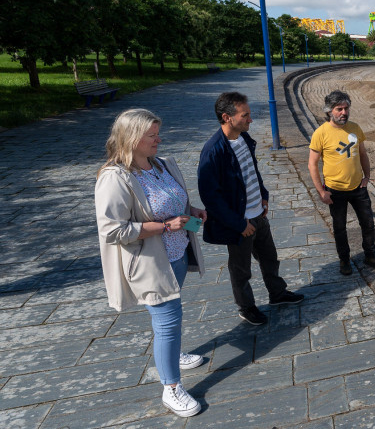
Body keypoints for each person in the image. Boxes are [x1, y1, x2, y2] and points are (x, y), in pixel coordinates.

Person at [95, 109, 207, 417]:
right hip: (149, 264)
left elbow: (171, 201)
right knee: (168, 320)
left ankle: (171, 355)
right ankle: (171, 388)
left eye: (158, 133)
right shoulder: (115, 177)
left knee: (168, 319)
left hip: (179, 254)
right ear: (131, 139)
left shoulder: (162, 164)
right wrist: (164, 227)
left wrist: (191, 210)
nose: (159, 139)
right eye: (152, 135)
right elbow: (112, 230)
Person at [198, 92, 304, 326]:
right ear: (227, 117)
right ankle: (246, 307)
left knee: (270, 259)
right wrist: (238, 224)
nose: (250, 120)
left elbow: (252, 173)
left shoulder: (244, 139)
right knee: (241, 269)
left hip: (259, 215)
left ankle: (277, 294)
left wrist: (263, 196)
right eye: (245, 115)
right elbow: (210, 197)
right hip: (240, 224)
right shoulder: (213, 151)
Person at [308, 90, 375, 276]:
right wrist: (321, 192)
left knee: (368, 223)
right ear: (329, 111)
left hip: (358, 187)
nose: (344, 112)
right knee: (340, 228)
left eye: (346, 108)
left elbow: (363, 154)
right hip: (335, 190)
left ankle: (370, 256)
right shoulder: (320, 133)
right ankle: (344, 260)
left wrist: (366, 178)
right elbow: (312, 165)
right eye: (339, 109)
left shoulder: (355, 128)